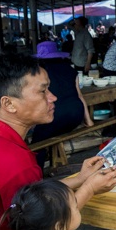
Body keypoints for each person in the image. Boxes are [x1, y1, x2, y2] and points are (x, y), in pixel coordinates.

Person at [0, 53, 116, 230]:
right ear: (8, 103)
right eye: (43, 91)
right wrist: (89, 188)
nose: (53, 97)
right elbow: (48, 228)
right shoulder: (13, 163)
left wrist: (80, 178)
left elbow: (33, 196)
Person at [31, 41, 93, 169]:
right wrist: (89, 121)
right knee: (49, 131)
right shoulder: (70, 69)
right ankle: (54, 161)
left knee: (37, 142)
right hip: (76, 115)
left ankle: (37, 174)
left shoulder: (40, 73)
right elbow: (80, 96)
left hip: (56, 117)